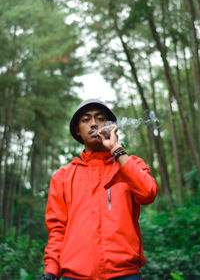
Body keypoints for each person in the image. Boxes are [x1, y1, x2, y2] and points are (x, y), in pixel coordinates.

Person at [41, 99, 158, 280]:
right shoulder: (62, 176)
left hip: (124, 273)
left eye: (101, 118)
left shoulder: (130, 164)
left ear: (111, 127)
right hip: (75, 274)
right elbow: (57, 229)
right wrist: (51, 268)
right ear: (78, 130)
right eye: (86, 119)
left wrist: (117, 150)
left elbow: (148, 193)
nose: (94, 123)